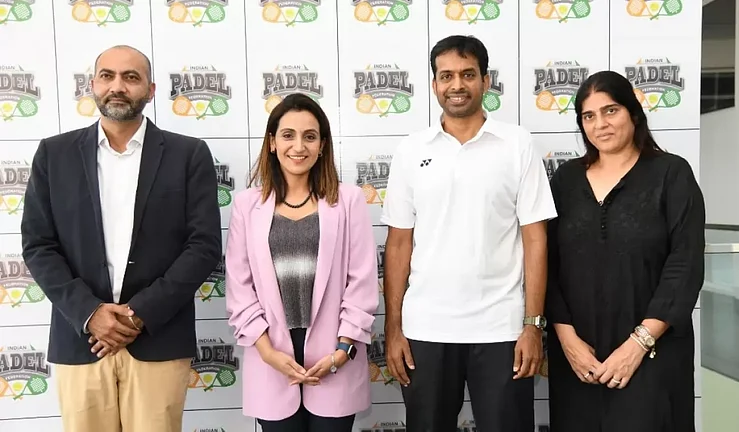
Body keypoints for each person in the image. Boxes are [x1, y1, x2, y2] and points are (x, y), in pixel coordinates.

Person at [20, 45, 222, 432]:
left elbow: (204, 245)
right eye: (108, 76)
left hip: (158, 341)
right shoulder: (54, 154)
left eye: (131, 78)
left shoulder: (189, 155)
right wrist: (89, 313)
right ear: (92, 85)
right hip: (80, 342)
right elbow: (38, 244)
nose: (118, 86)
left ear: (151, 90)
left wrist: (139, 313)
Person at [380, 35, 557, 431]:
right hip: (425, 328)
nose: (456, 85)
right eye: (446, 76)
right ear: (434, 85)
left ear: (485, 81)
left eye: (467, 74)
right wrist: (394, 328)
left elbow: (535, 240)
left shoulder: (517, 144)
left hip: (502, 328)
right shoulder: (410, 150)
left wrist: (532, 325)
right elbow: (398, 244)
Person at [545, 70, 705, 432]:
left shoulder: (671, 174)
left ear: (633, 113)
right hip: (579, 359)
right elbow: (547, 265)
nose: (600, 124)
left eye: (610, 111)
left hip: (653, 353)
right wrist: (567, 340)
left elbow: (685, 265)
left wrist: (638, 345)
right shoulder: (566, 180)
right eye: (588, 116)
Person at [225, 93, 379, 432]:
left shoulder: (348, 200)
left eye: (310, 136)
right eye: (288, 135)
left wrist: (342, 352)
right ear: (271, 143)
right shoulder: (246, 206)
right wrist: (267, 352)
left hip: (334, 358)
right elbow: (239, 288)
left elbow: (362, 283)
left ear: (322, 145)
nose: (299, 146)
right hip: (272, 359)